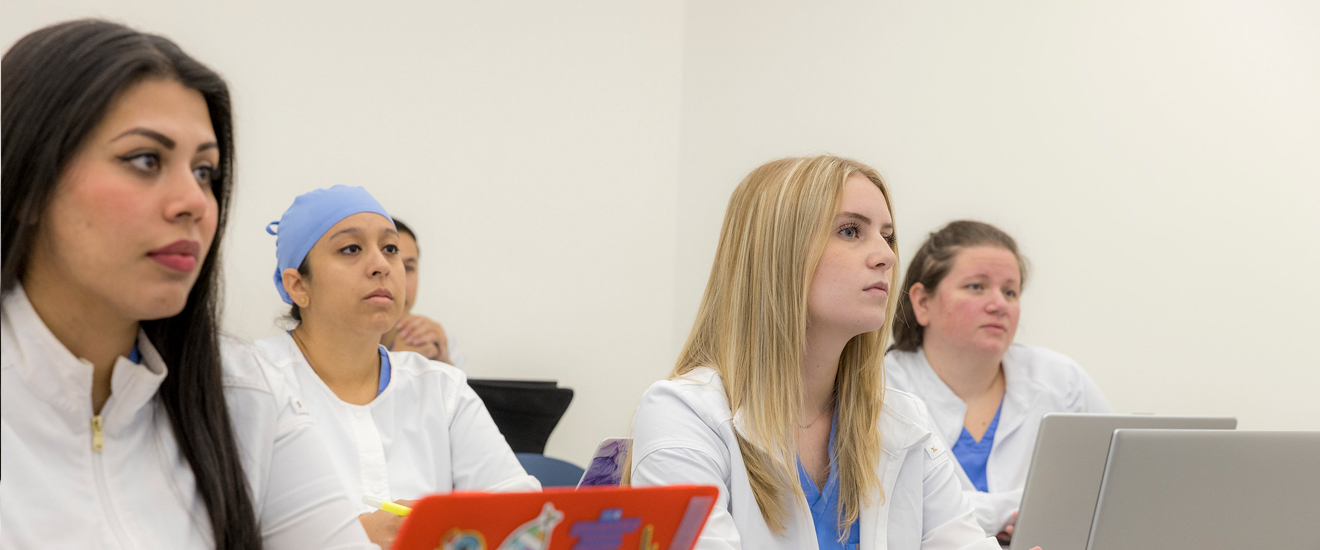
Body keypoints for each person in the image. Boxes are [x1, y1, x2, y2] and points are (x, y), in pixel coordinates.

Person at [0, 20, 372, 549]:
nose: (195, 202)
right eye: (145, 159)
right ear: (28, 184)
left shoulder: (244, 397)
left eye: (204, 171)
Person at [631, 156, 1013, 550]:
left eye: (888, 236)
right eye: (851, 231)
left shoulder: (900, 420)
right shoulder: (683, 415)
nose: (887, 255)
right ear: (777, 252)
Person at [256, 185, 538, 548]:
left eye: (390, 249)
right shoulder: (251, 384)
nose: (381, 265)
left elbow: (522, 517)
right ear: (297, 286)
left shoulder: (442, 388)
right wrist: (354, 536)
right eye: (351, 249)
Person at [886, 220, 1112, 541]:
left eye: (1010, 292)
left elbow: (1116, 486)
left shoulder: (1062, 381)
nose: (999, 305)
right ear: (922, 303)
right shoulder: (880, 388)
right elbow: (899, 513)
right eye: (976, 286)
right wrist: (1028, 511)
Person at [379, 218, 468, 368]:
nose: (400, 281)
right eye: (387, 266)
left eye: (408, 268)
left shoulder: (436, 340)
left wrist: (444, 367)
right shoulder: (334, 344)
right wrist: (398, 363)